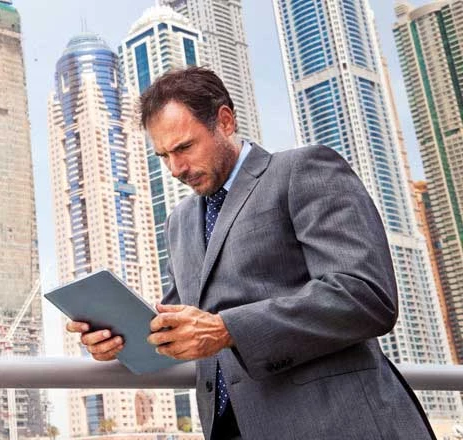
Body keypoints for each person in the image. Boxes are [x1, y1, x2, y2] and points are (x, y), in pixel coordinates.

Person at [65, 67, 435, 439]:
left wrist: (229, 329)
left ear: (225, 121)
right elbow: (181, 325)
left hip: (337, 423)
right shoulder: (179, 221)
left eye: (185, 147)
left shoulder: (302, 170)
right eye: (163, 155)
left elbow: (366, 297)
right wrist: (119, 340)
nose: (176, 168)